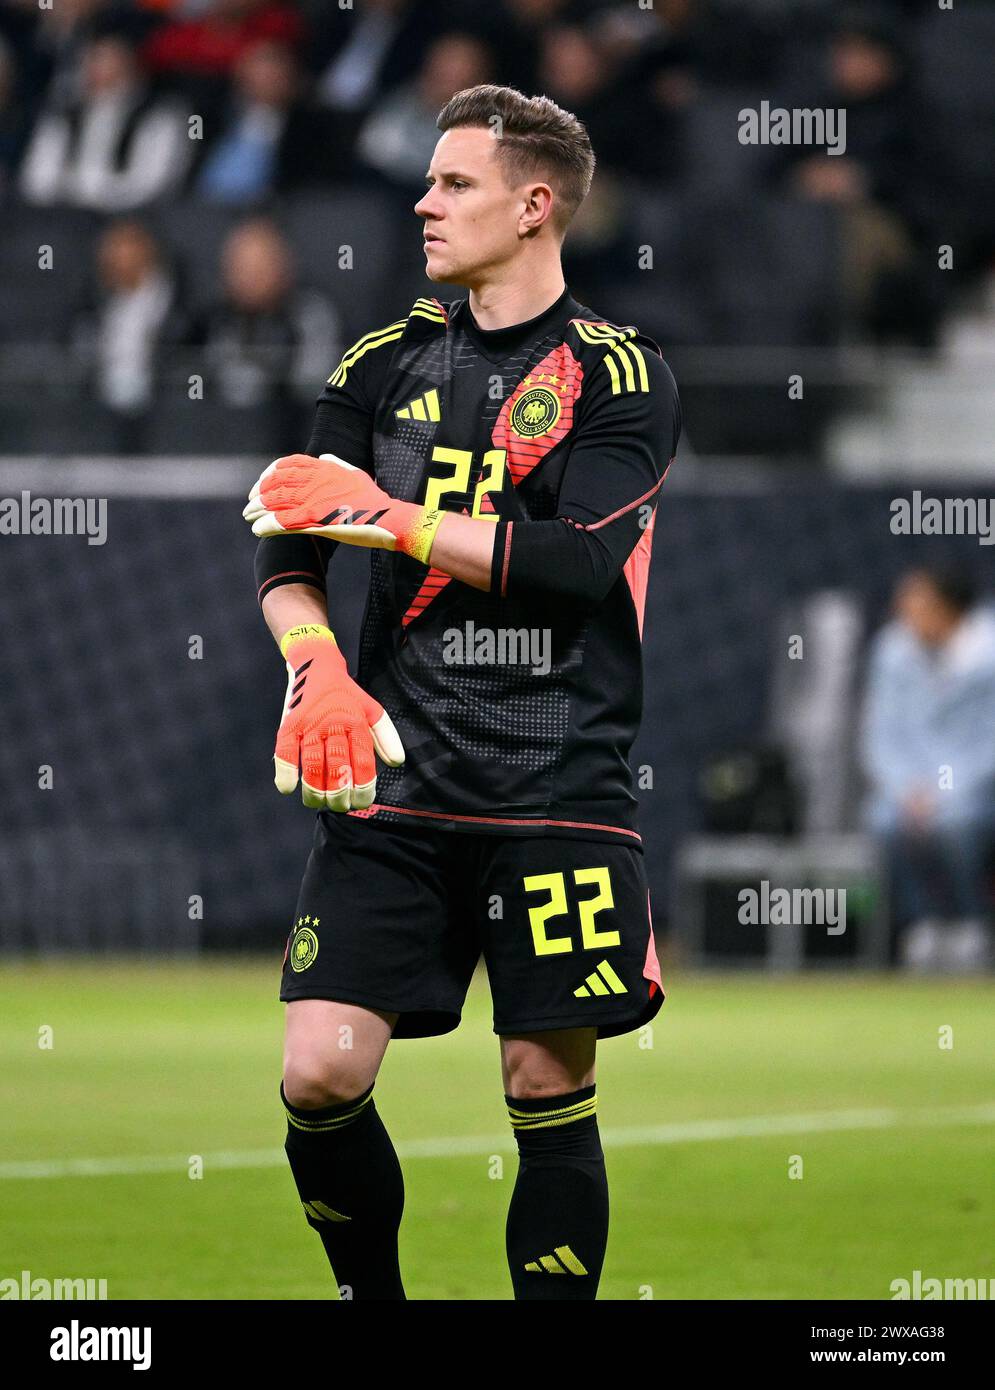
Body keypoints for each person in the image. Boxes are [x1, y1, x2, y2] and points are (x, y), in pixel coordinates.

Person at [246, 83, 681, 1300]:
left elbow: (578, 563)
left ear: (533, 206)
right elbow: (289, 547)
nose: (424, 202)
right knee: (319, 1073)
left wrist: (391, 518)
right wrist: (313, 661)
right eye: (428, 181)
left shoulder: (616, 370)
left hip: (558, 788)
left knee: (545, 1083)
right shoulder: (380, 359)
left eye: (454, 183)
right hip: (396, 783)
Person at [860, 567, 995, 972]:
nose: (905, 610)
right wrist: (906, 790)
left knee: (955, 826)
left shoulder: (987, 652)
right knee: (883, 822)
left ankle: (972, 926)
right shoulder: (892, 650)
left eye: (917, 601)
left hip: (975, 792)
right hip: (907, 790)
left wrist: (947, 793)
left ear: (948, 607)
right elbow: (880, 736)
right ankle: (922, 924)